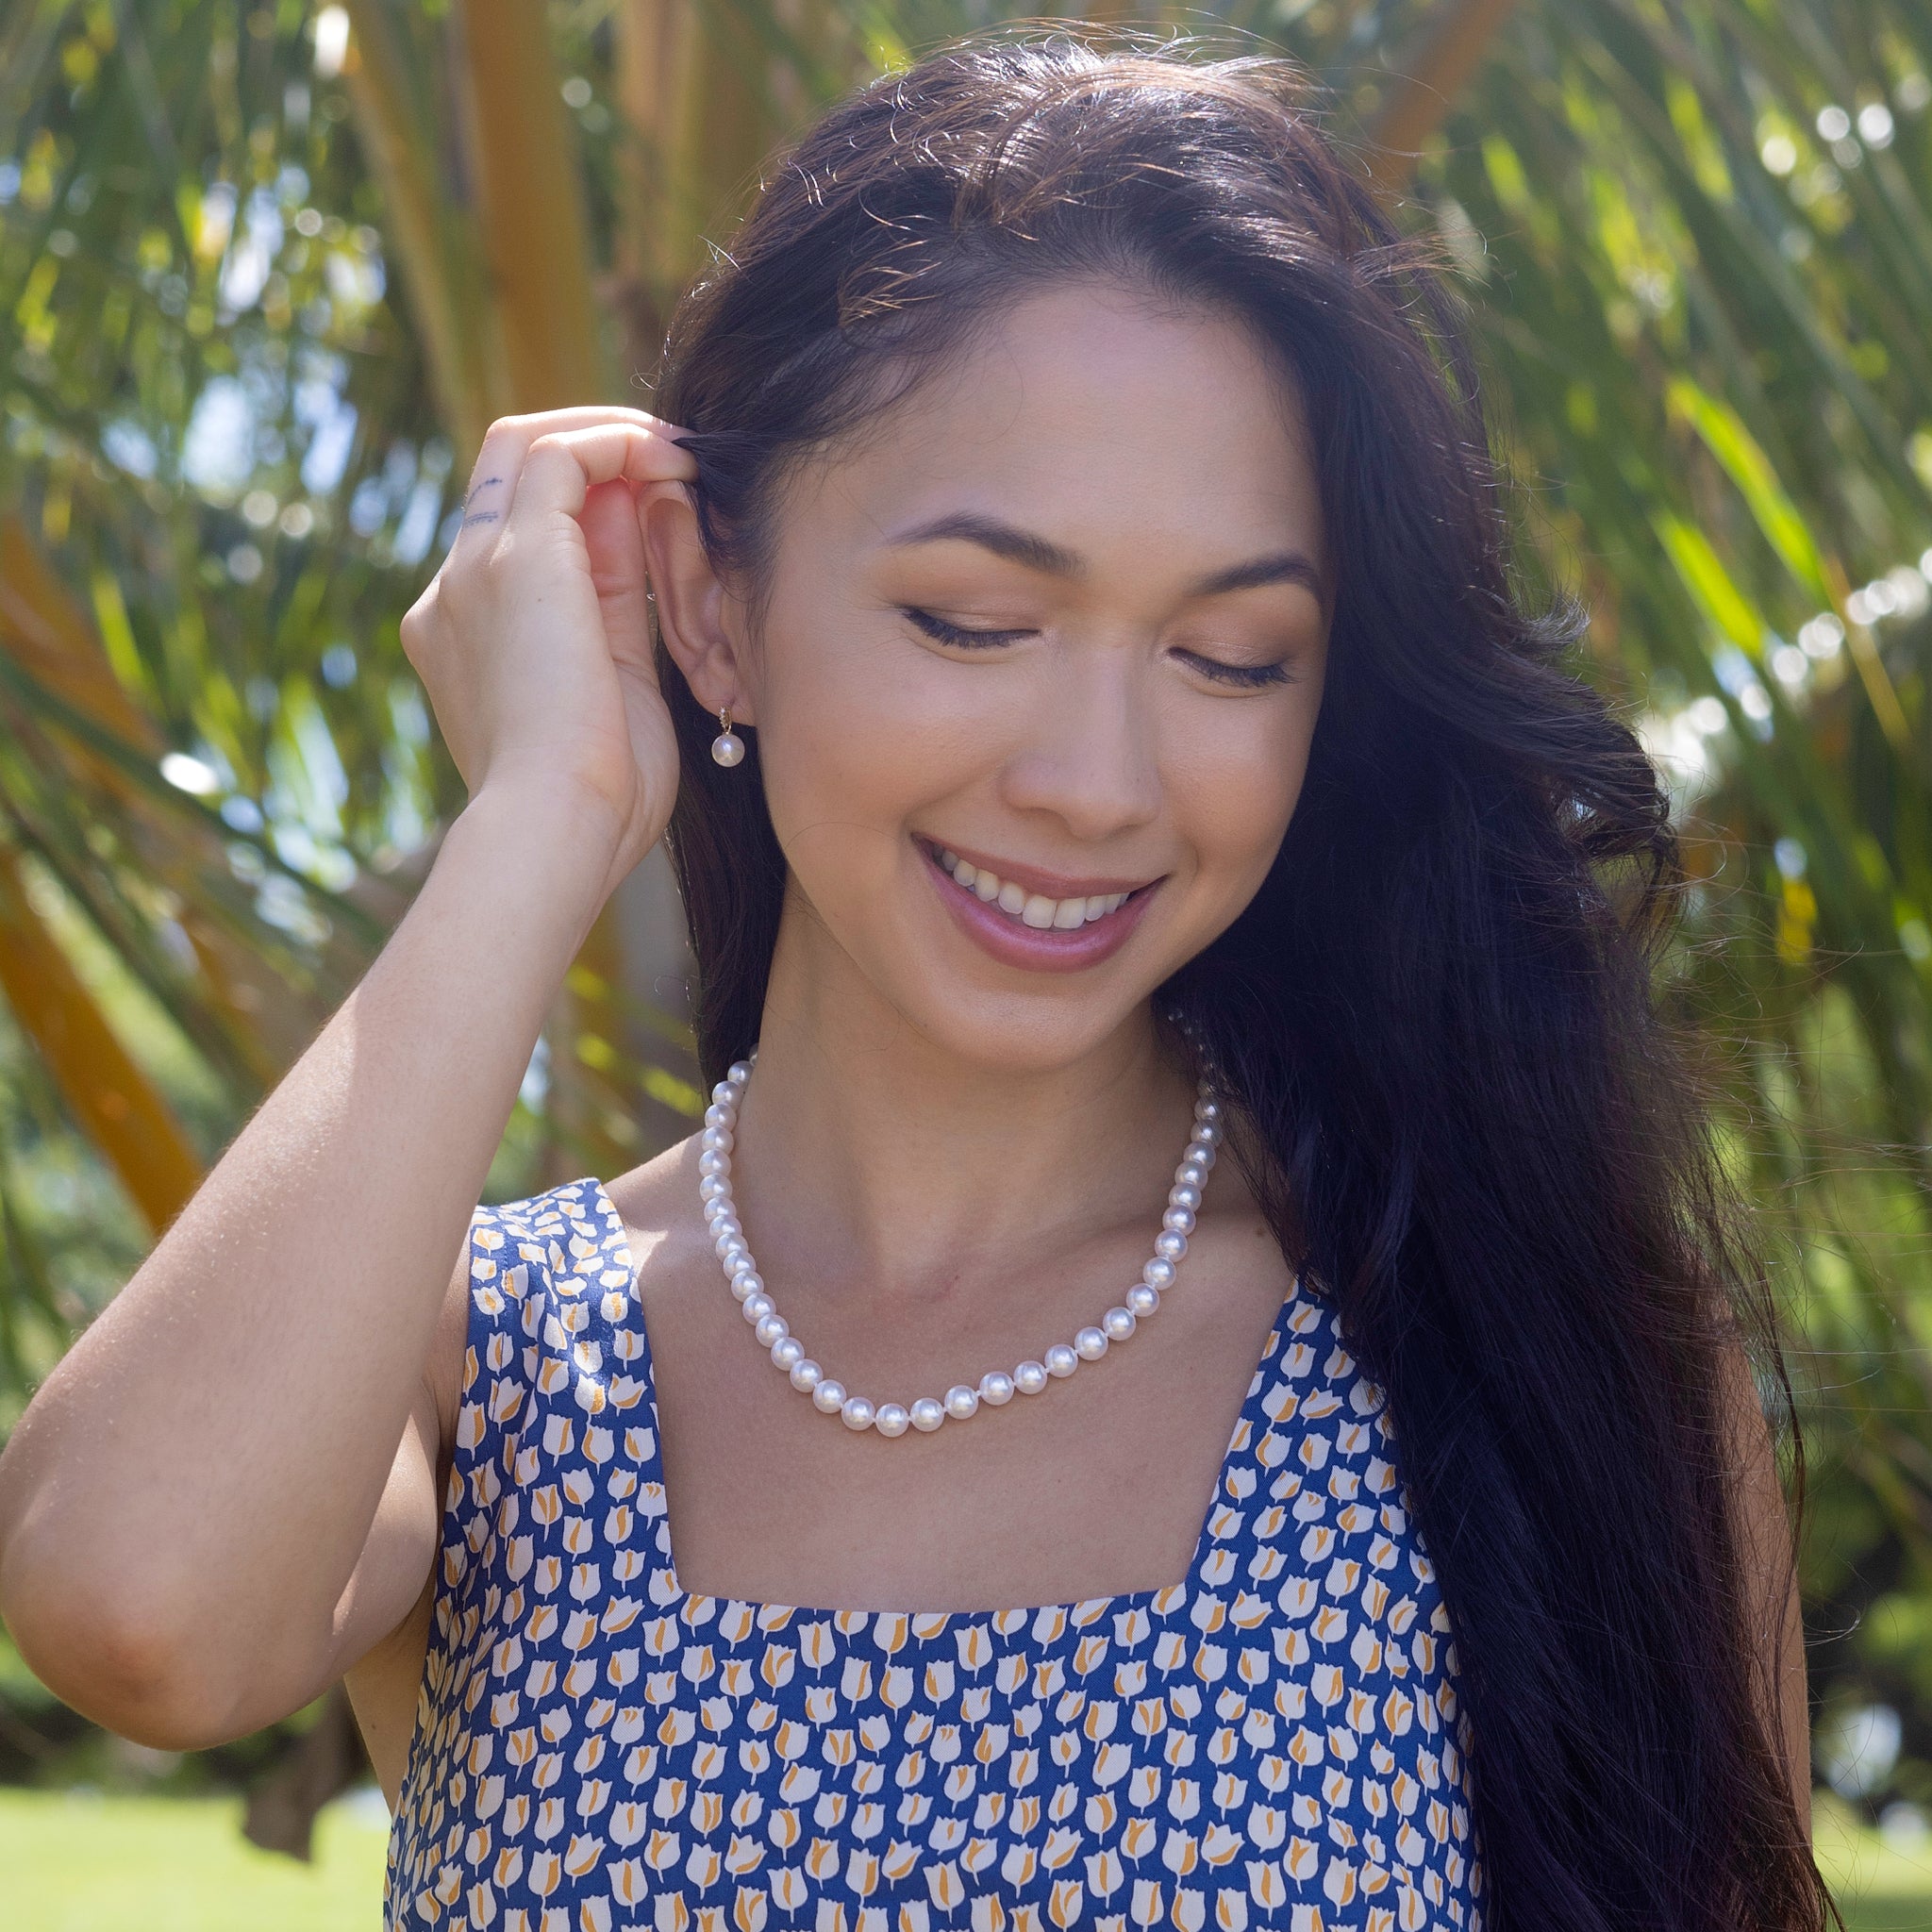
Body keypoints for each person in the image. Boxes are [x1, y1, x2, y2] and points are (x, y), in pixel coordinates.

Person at [0, 30, 1832, 1932]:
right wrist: (540, 810)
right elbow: (134, 1610)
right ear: (715, 607)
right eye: (973, 619)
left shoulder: (1518, 1341)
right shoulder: (492, 1363)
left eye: (1231, 656)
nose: (1094, 780)